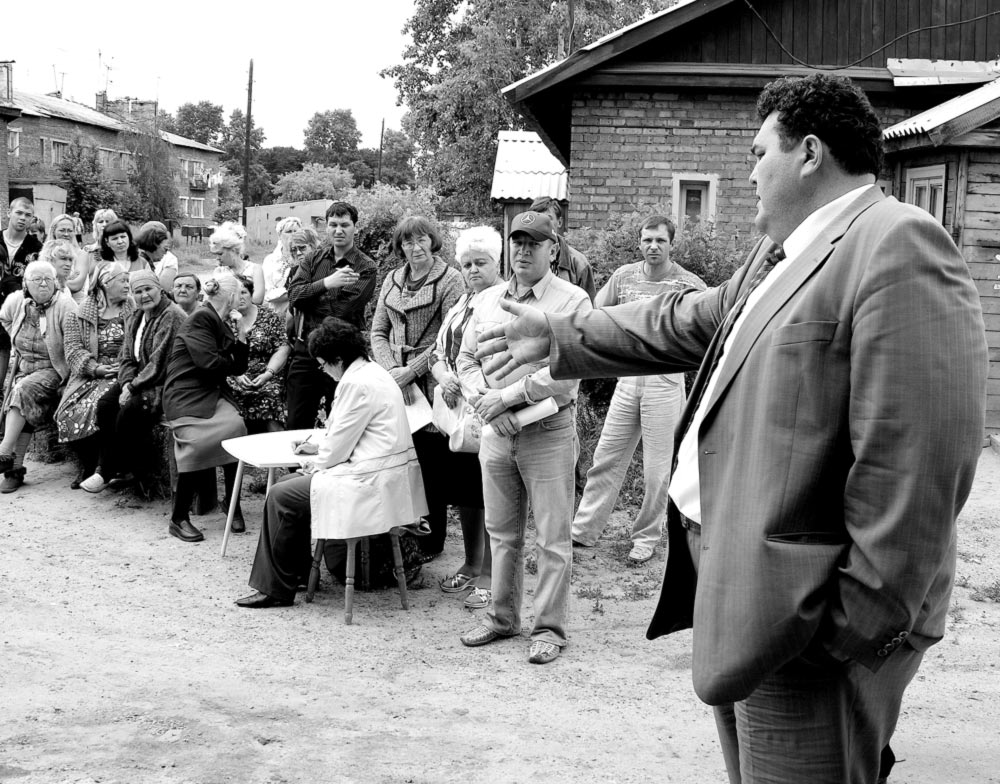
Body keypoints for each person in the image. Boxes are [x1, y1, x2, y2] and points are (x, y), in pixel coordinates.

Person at [474, 74, 988, 778]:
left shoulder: (897, 243)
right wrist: (561, 335)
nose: (748, 174)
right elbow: (684, 319)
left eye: (758, 153)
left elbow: (920, 467)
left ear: (810, 154)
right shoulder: (781, 253)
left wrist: (847, 632)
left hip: (806, 625)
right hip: (749, 603)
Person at [455, 211, 592, 665]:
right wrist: (485, 401)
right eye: (518, 241)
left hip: (548, 431)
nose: (524, 250)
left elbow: (569, 372)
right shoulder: (487, 299)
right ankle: (501, 618)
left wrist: (508, 399)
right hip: (496, 431)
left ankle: (549, 629)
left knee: (553, 538)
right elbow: (466, 359)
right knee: (501, 533)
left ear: (554, 249)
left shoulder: (572, 299)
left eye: (535, 242)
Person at [235, 317, 427, 609]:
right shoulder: (373, 371)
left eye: (323, 364)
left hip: (367, 481)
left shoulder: (355, 383)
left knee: (280, 494)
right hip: (384, 476)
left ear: (338, 359)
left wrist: (312, 464)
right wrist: (319, 453)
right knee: (288, 486)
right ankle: (294, 574)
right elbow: (350, 435)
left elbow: (337, 448)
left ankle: (275, 589)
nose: (323, 370)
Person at [571, 215, 706, 564]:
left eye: (660, 240)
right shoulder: (623, 277)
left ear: (672, 244)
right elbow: (597, 314)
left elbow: (709, 324)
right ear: (640, 243)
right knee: (606, 457)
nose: (653, 246)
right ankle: (584, 530)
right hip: (628, 378)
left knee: (657, 471)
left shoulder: (688, 284)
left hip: (665, 379)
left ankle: (646, 537)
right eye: (647, 240)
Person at [371, 215, 464, 559]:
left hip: (431, 379)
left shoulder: (451, 279)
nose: (416, 247)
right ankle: (403, 533)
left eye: (422, 239)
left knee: (430, 464)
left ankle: (433, 540)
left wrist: (410, 371)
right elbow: (378, 331)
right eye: (408, 241)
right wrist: (391, 371)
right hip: (394, 382)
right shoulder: (392, 279)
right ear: (400, 247)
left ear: (433, 241)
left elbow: (449, 336)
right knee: (399, 459)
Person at [429, 226, 505, 608]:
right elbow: (437, 351)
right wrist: (444, 377)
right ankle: (472, 562)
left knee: (489, 496)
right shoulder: (462, 301)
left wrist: (468, 384)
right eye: (467, 264)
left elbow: (502, 359)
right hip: (458, 416)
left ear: (498, 262)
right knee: (466, 494)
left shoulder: (504, 300)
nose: (473, 270)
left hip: (488, 412)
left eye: (481, 262)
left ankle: (491, 574)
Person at [162, 273, 250, 543]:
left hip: (210, 393)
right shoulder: (202, 317)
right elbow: (209, 363)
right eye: (240, 293)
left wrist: (242, 335)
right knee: (198, 442)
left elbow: (238, 367)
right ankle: (178, 518)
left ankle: (232, 504)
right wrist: (229, 358)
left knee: (236, 428)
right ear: (231, 297)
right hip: (185, 394)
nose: (241, 298)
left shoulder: (218, 319)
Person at [81, 270, 186, 495]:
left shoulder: (171, 315)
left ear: (160, 289)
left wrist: (131, 387)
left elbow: (159, 363)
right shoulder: (137, 315)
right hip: (139, 379)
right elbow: (127, 356)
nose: (144, 295)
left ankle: (111, 471)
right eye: (138, 291)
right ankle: (122, 470)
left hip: (164, 382)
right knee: (105, 405)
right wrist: (126, 382)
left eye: (148, 289)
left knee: (129, 412)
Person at [285, 201, 376, 428]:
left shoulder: (365, 267)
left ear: (355, 227)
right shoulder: (312, 259)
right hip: (306, 350)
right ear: (326, 226)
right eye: (333, 224)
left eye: (344, 225)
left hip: (342, 356)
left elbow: (340, 312)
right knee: (296, 423)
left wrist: (309, 296)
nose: (338, 230)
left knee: (341, 423)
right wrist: (327, 283)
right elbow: (294, 296)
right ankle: (299, 456)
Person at [0, 260, 77, 493]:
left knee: (22, 390)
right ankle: (14, 469)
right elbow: (4, 318)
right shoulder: (17, 301)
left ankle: (4, 452)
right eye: (37, 279)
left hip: (54, 370)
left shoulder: (65, 305)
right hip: (25, 369)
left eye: (48, 279)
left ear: (55, 283)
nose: (43, 284)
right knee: (21, 395)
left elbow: (74, 342)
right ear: (26, 283)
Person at [55, 262, 132, 488]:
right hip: (91, 374)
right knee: (69, 410)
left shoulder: (133, 309)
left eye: (128, 281)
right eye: (123, 280)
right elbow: (72, 350)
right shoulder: (79, 314)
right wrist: (94, 368)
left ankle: (104, 467)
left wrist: (124, 365)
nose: (127, 285)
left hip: (123, 372)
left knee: (101, 404)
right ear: (106, 283)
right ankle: (88, 465)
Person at [228, 277, 289, 432]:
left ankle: (279, 442)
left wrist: (268, 373)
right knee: (228, 396)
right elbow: (219, 352)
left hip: (266, 374)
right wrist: (236, 374)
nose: (240, 297)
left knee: (270, 394)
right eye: (235, 294)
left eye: (244, 292)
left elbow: (282, 347)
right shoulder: (223, 319)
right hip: (234, 375)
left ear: (251, 294)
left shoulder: (269, 316)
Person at [1, 198, 44, 389]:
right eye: (18, 213)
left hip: (19, 308)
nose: (22, 218)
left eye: (28, 215)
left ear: (32, 219)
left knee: (4, 347)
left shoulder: (36, 248)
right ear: (9, 213)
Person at [529, 197, 596, 303]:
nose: (542, 224)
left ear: (559, 222)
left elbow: (589, 307)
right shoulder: (523, 258)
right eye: (538, 219)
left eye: (548, 218)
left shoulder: (579, 264)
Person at [209, 222, 264, 306]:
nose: (217, 258)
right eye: (215, 254)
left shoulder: (255, 269)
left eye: (220, 254)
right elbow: (214, 299)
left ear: (233, 251)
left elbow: (258, 299)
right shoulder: (219, 271)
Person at [261, 216, 302, 316]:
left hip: (301, 313)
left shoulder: (306, 257)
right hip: (275, 314)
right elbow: (268, 294)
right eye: (289, 231)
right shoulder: (270, 260)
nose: (293, 234)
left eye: (296, 231)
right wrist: (300, 292)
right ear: (279, 235)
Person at [48, 214, 91, 302]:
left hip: (75, 304)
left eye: (70, 231)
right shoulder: (46, 253)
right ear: (53, 231)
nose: (66, 234)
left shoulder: (81, 254)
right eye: (62, 230)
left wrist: (49, 282)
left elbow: (76, 285)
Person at [134, 221, 176, 290]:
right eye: (165, 249)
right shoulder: (140, 262)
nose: (165, 253)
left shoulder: (146, 260)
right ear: (155, 244)